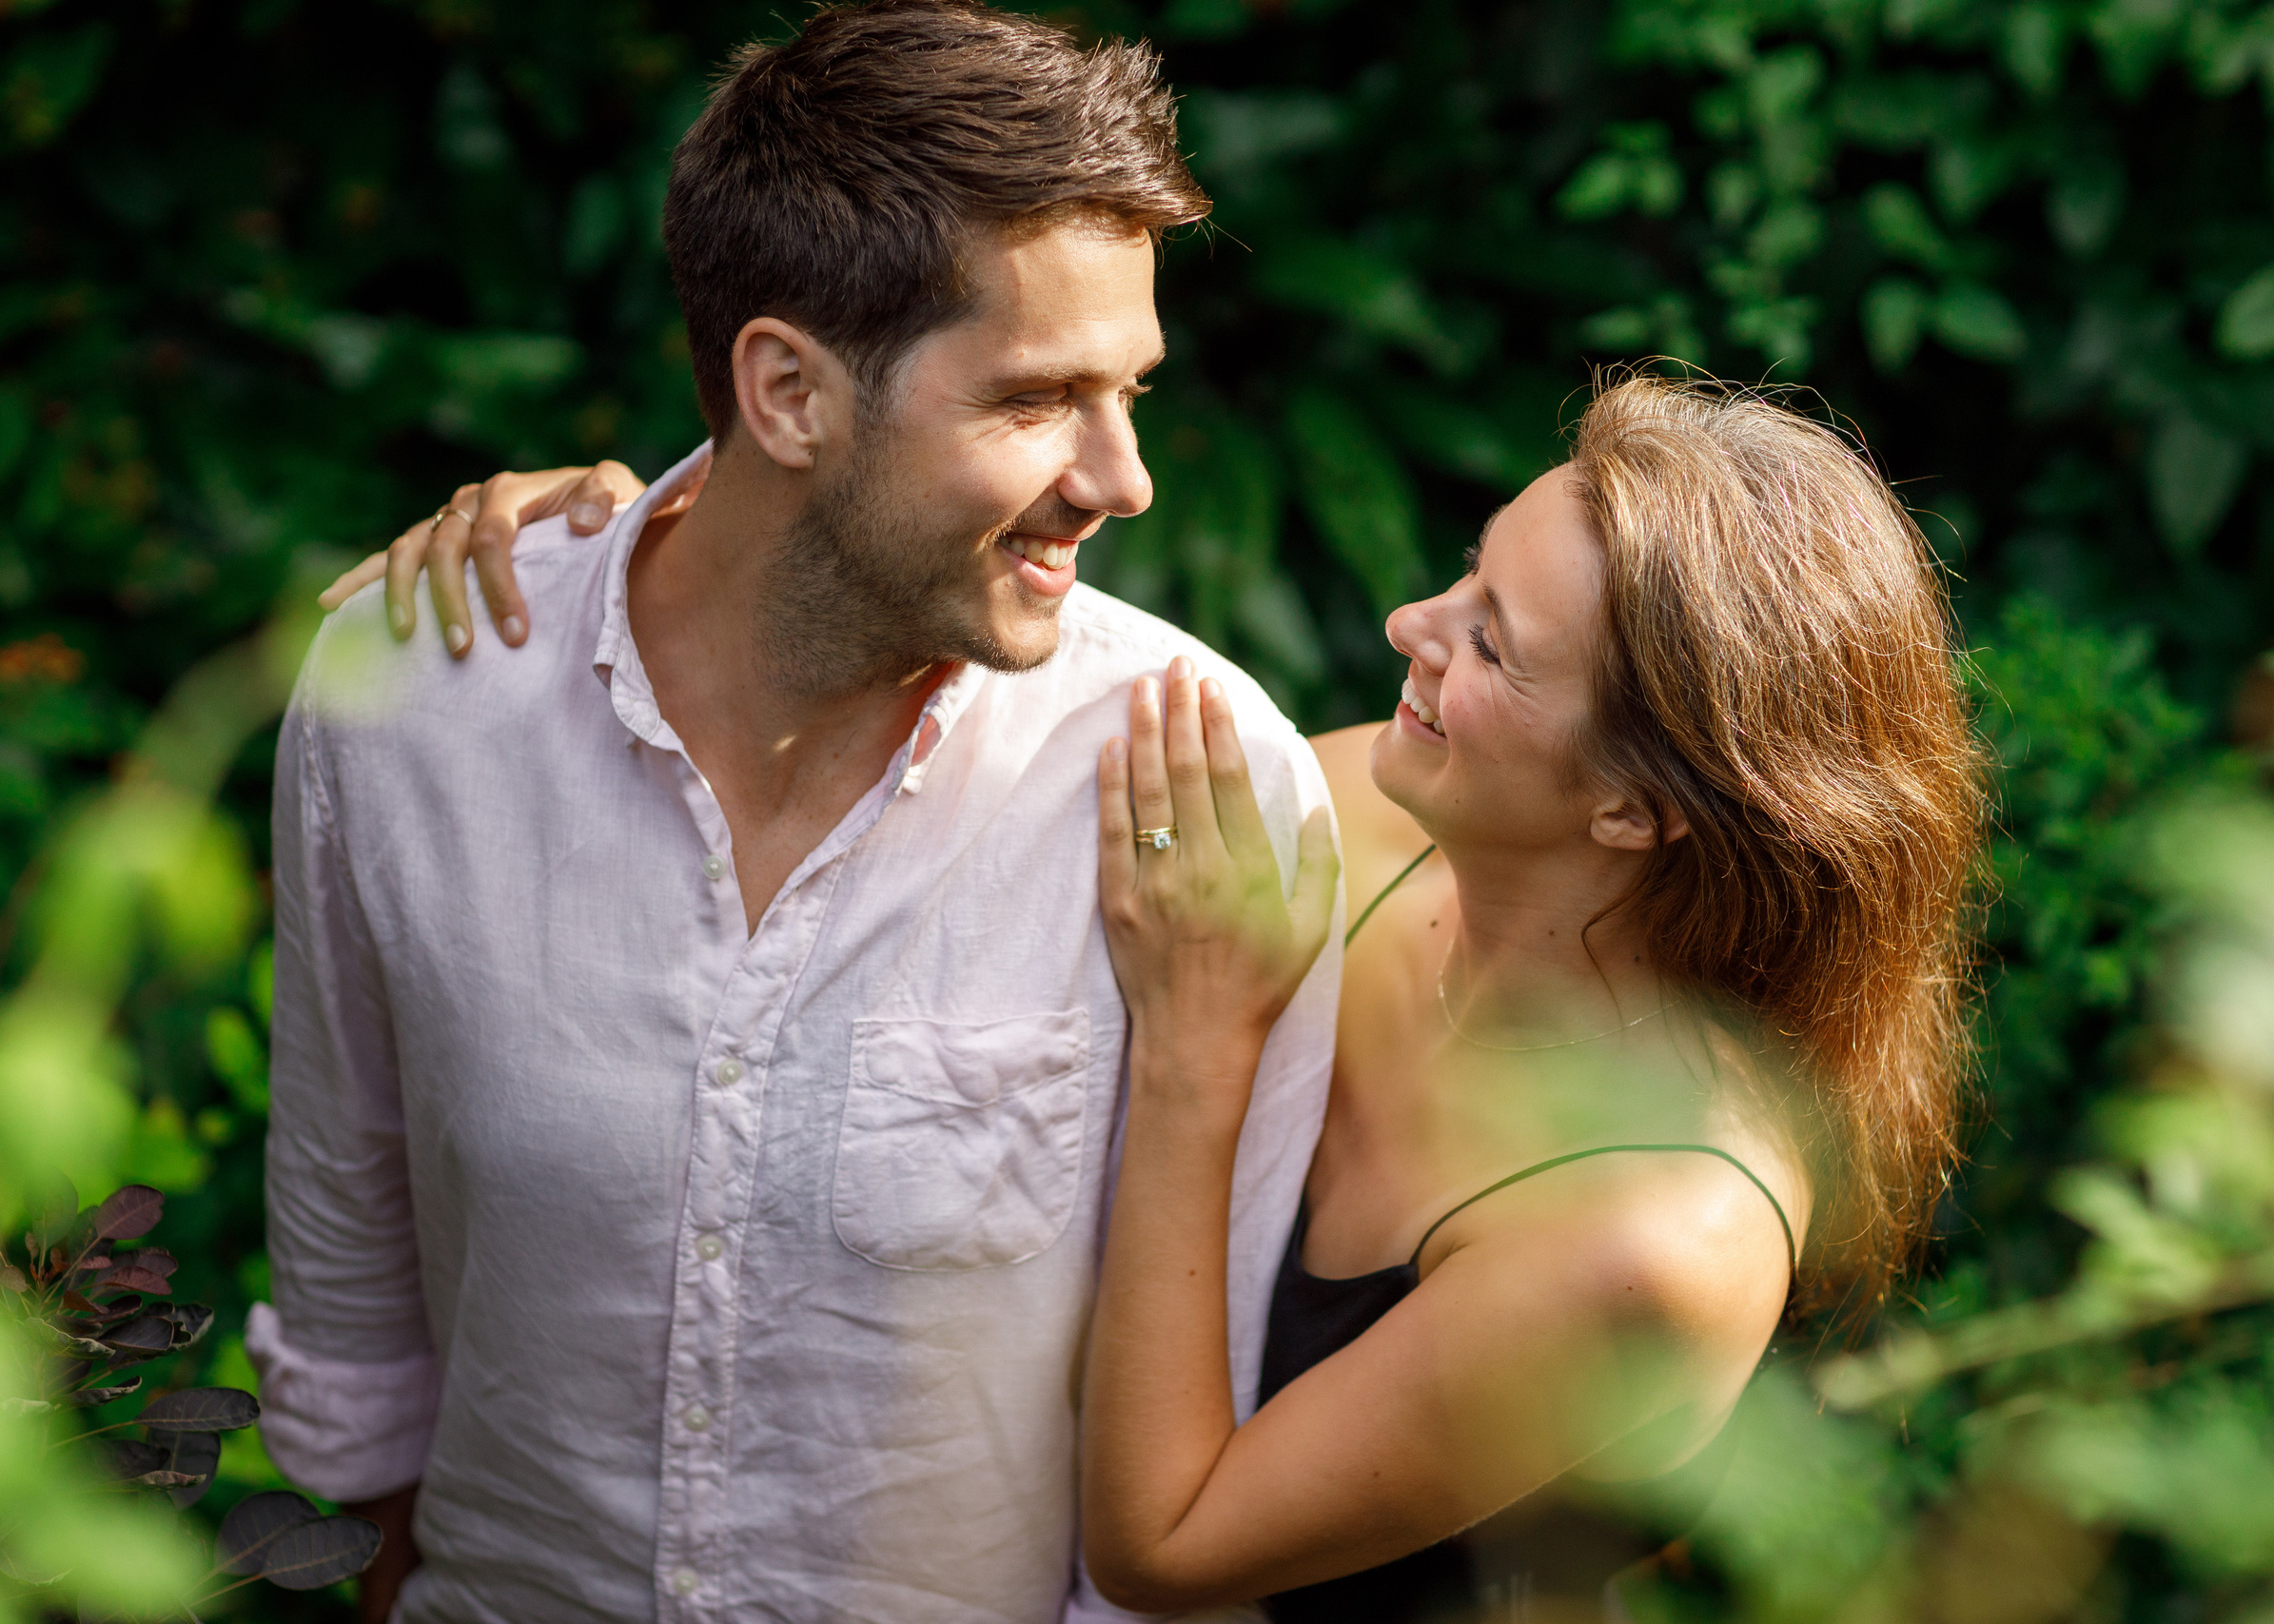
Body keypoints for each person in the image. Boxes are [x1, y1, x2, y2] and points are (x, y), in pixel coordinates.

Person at [376, 372, 1987, 1615]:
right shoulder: (1359, 813)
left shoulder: (1654, 1233)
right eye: (1464, 577)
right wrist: (643, 558)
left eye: (1492, 644)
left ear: (1636, 809)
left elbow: (1165, 1547)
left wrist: (1205, 1057)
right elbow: (989, 733)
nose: (1406, 627)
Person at [261, 7, 1340, 1623]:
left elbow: (1187, 1472)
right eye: (1039, 399)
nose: (1124, 479)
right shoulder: (414, 701)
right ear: (787, 391)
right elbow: (352, 1298)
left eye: (1131, 391)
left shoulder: (1202, 784)